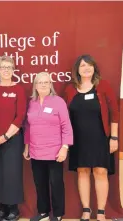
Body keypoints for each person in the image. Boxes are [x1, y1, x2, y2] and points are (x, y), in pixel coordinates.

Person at [65, 54, 119, 221]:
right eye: (82, 66)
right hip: (78, 139)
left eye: (89, 65)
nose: (86, 68)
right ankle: (86, 210)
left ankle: (101, 212)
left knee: (100, 171)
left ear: (94, 68)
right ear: (77, 70)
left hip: (101, 137)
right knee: (82, 171)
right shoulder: (70, 89)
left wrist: (114, 138)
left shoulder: (103, 86)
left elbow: (114, 113)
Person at [23, 72, 73, 221]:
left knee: (56, 183)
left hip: (55, 151)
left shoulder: (58, 102)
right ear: (35, 86)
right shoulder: (32, 102)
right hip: (36, 150)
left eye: (46, 82)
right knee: (40, 183)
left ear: (50, 84)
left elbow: (66, 126)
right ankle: (43, 212)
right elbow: (27, 126)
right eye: (40, 82)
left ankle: (57, 214)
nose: (43, 85)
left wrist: (65, 147)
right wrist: (26, 147)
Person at [0, 55, 26, 221]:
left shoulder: (19, 89)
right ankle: (2, 209)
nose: (6, 70)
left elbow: (20, 115)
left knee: (12, 174)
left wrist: (5, 136)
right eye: (3, 67)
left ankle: (13, 209)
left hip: (12, 139)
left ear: (14, 70)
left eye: (9, 67)